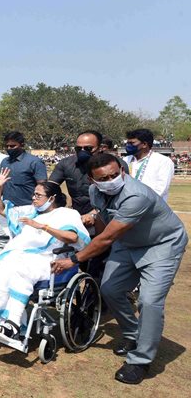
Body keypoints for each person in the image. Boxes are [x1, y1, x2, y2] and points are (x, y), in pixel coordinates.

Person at [52, 154, 187, 385]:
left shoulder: (136, 195)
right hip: (127, 243)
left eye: (116, 174)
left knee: (150, 301)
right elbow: (104, 223)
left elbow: (107, 237)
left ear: (123, 171)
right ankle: (134, 334)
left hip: (162, 245)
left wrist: (75, 259)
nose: (112, 180)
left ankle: (140, 361)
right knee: (110, 289)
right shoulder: (96, 192)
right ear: (93, 181)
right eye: (104, 178)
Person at [0, 168, 90, 340]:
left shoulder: (68, 214)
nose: (33, 198)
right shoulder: (31, 212)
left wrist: (43, 227)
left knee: (20, 270)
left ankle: (12, 323)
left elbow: (72, 237)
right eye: (34, 195)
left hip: (50, 259)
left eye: (38, 195)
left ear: (52, 198)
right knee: (0, 267)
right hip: (23, 256)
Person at [49, 131, 128, 279]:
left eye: (88, 148)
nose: (83, 152)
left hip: (107, 222)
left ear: (100, 147)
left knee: (102, 266)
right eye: (79, 149)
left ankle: (105, 296)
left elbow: (118, 197)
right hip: (79, 223)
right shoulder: (66, 164)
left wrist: (94, 214)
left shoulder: (114, 166)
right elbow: (50, 188)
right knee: (82, 264)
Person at [122, 129, 174, 201]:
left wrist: (140, 201)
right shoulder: (125, 160)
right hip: (128, 203)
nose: (128, 145)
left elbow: (161, 188)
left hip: (152, 206)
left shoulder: (163, 161)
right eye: (127, 143)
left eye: (132, 143)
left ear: (144, 144)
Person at [0, 131, 47, 206]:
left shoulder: (35, 162)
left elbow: (42, 187)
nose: (9, 148)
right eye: (7, 146)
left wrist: (35, 206)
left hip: (27, 207)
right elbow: (1, 184)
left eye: (12, 146)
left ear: (22, 145)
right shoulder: (4, 162)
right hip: (7, 208)